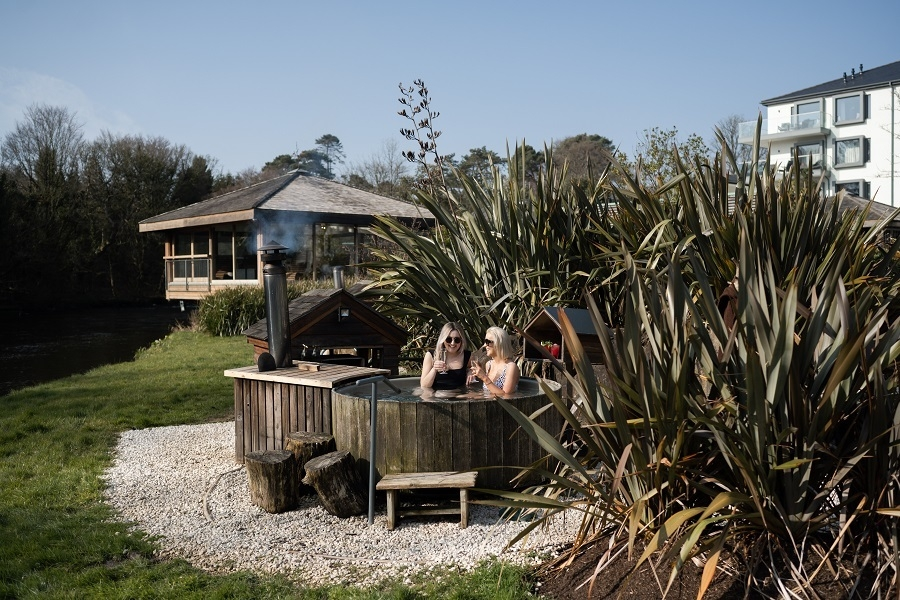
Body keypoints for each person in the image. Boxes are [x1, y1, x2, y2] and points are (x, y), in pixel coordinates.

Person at [420, 322, 471, 390]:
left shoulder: (467, 356)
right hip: (435, 396)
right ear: (443, 339)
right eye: (448, 339)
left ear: (462, 341)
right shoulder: (431, 355)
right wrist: (434, 369)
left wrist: (470, 372)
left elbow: (471, 368)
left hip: (459, 395)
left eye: (457, 340)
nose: (452, 343)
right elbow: (424, 386)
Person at [471, 326, 520, 394]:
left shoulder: (511, 367)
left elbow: (506, 395)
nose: (485, 345)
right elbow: (487, 392)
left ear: (499, 344)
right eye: (485, 341)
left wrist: (484, 377)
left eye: (488, 342)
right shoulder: (489, 364)